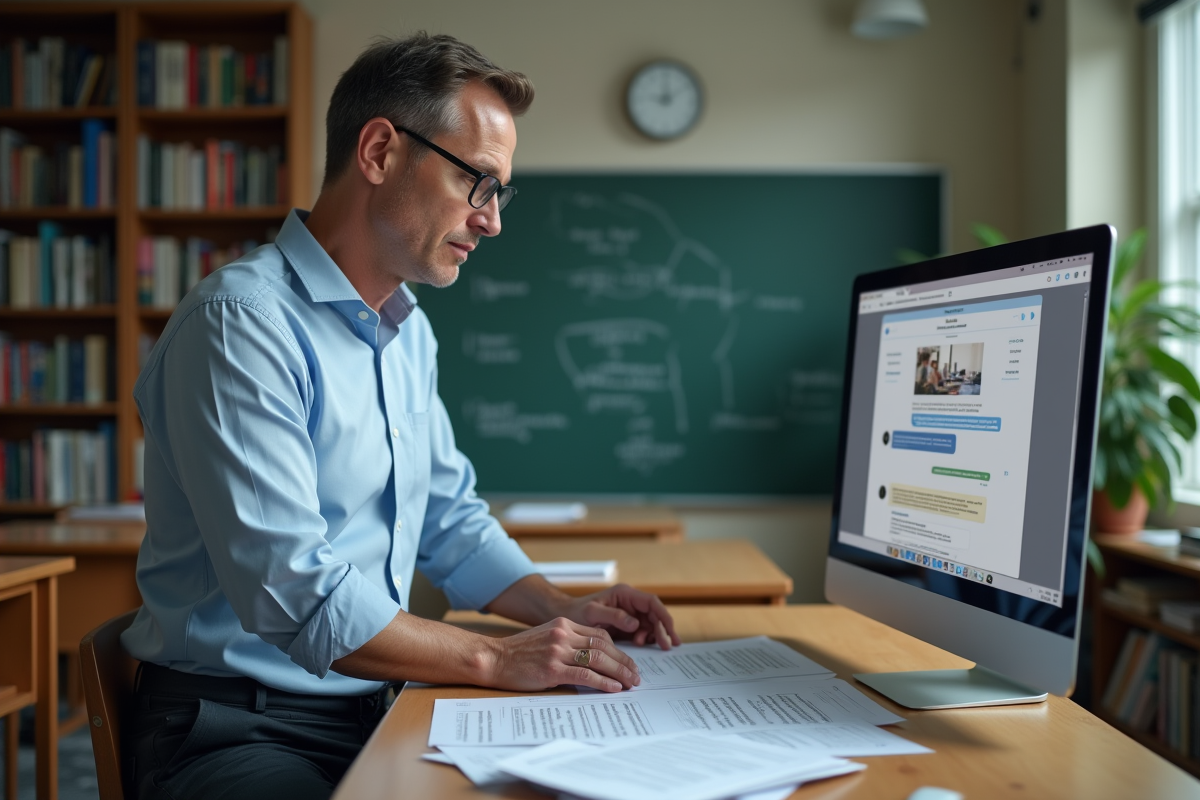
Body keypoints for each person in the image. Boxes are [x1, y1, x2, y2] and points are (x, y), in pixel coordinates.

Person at [121, 33, 680, 800]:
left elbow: (449, 520)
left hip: (378, 703)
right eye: (477, 182)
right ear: (381, 151)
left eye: (499, 192)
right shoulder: (240, 324)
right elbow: (293, 592)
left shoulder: (405, 329)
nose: (492, 221)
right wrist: (493, 658)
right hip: (236, 729)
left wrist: (561, 610)